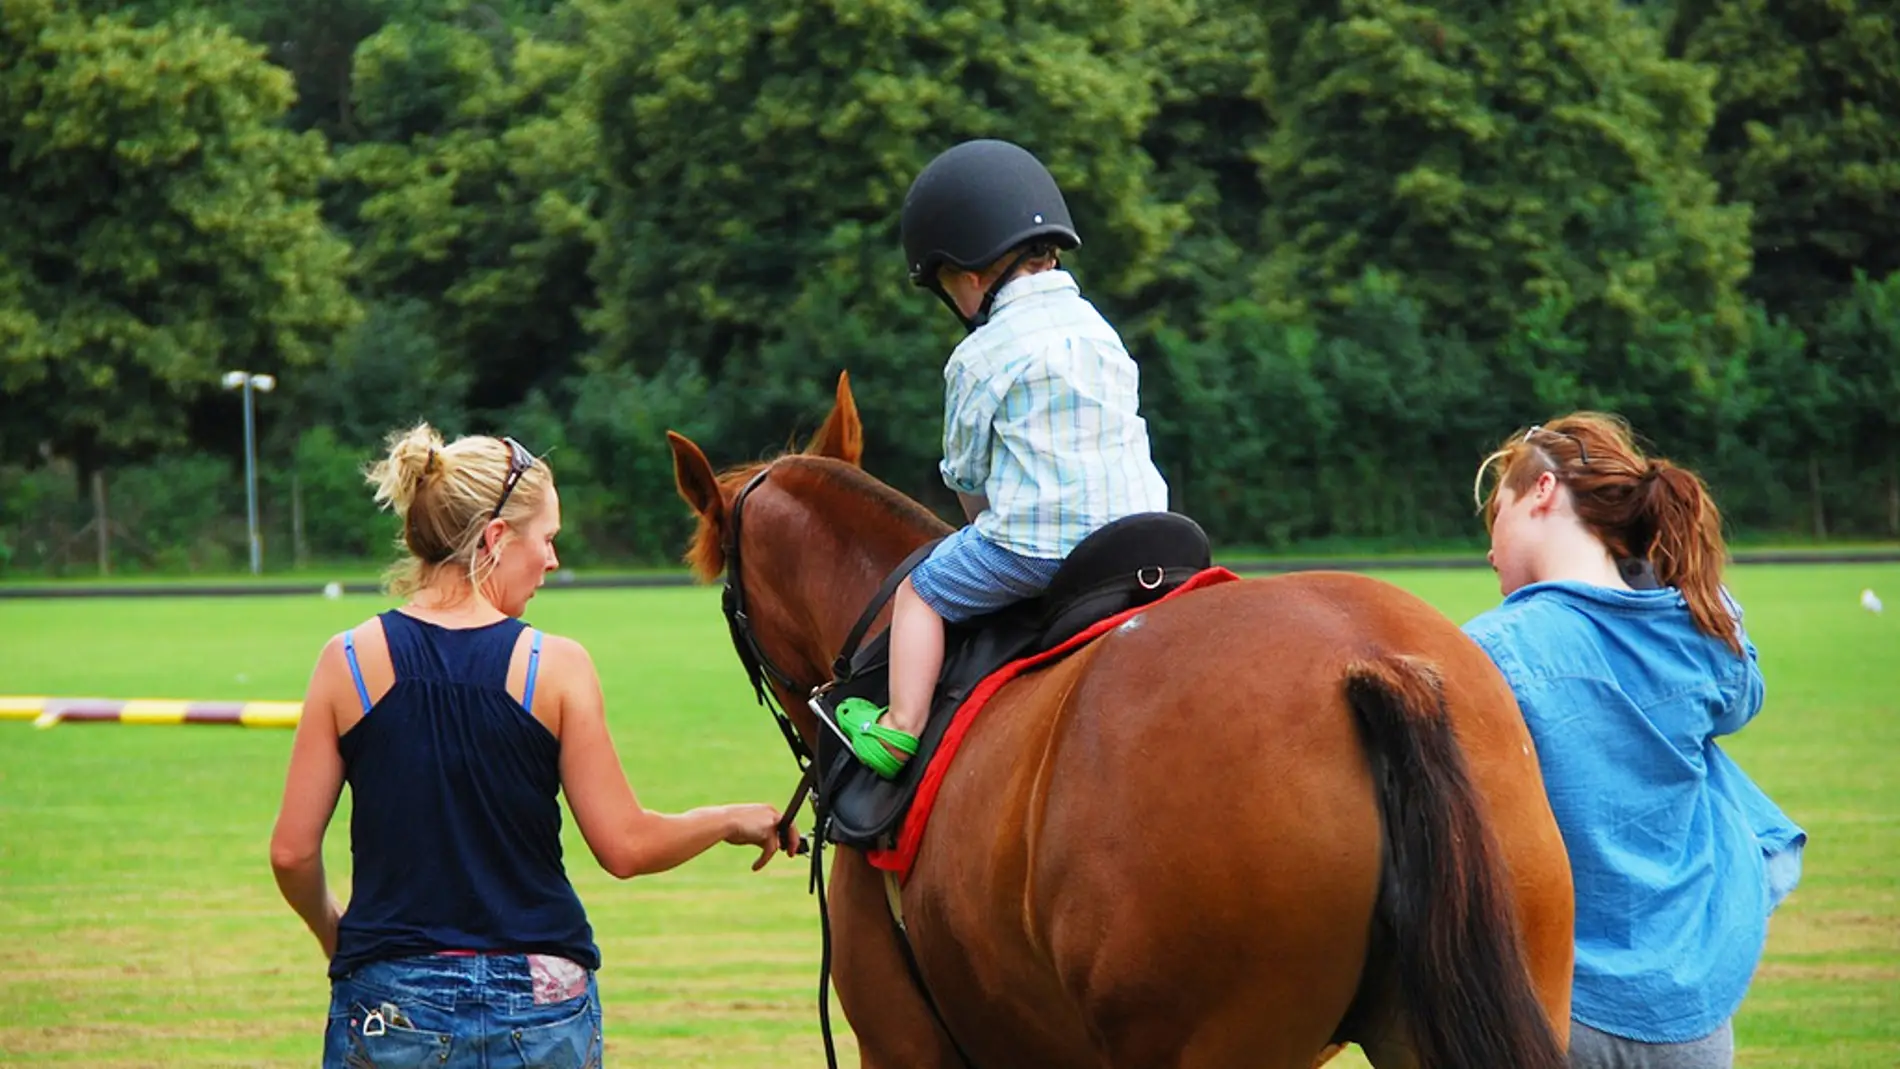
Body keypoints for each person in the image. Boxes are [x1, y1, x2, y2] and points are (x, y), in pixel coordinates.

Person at [269, 423, 795, 1069]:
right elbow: (625, 846)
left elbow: (292, 851)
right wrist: (727, 819)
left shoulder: (346, 661)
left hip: (390, 999)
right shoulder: (557, 666)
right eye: (545, 539)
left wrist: (338, 935)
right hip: (542, 1003)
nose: (551, 560)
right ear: (495, 539)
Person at [1462, 414, 1806, 1069]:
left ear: (1541, 492)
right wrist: (1662, 578)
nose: (1489, 549)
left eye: (1495, 514)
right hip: (1695, 1022)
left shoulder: (1494, 649)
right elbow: (1743, 694)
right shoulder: (1701, 637)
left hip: (1556, 1008)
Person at [834, 138, 1171, 779]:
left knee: (921, 593)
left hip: (1039, 547)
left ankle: (900, 728)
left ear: (966, 275)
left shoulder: (980, 354)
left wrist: (980, 525)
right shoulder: (1098, 326)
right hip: (1146, 535)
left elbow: (968, 479)